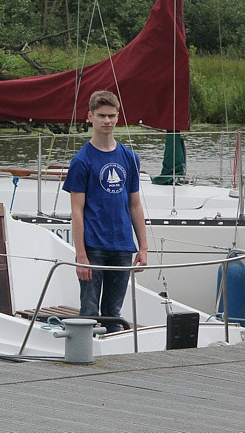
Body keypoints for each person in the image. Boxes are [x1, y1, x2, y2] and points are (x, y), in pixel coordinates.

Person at [62, 90, 148, 333]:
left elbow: (134, 205)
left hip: (122, 246)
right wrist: (80, 255)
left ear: (118, 116)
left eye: (111, 115)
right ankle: (83, 357)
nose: (107, 121)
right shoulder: (82, 161)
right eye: (101, 116)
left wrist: (143, 247)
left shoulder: (130, 158)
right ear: (90, 117)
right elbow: (76, 212)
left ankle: (111, 361)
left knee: (113, 313)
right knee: (89, 311)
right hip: (93, 247)